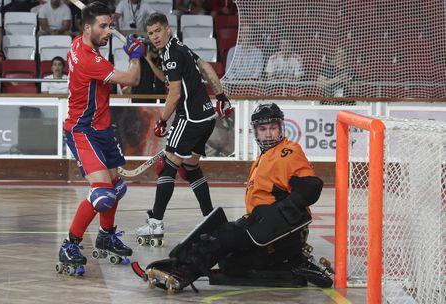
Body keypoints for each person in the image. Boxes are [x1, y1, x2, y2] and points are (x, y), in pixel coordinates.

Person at [136, 103, 332, 290]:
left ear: (281, 127)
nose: (269, 133)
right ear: (256, 132)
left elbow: (311, 187)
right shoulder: (264, 156)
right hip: (262, 231)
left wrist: (277, 212)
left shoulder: (288, 152)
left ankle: (180, 272)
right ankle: (294, 263)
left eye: (273, 127)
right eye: (263, 129)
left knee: (221, 237)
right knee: (229, 264)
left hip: (276, 233)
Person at [57, 1, 145, 275]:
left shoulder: (80, 43)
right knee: (104, 194)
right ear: (87, 28)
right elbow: (132, 79)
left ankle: (106, 234)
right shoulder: (88, 59)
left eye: (110, 26)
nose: (108, 31)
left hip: (102, 129)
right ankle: (70, 244)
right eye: (103, 26)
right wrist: (135, 55)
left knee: (117, 188)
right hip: (83, 130)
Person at [135, 13, 233, 246]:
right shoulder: (182, 47)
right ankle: (211, 218)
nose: (155, 36)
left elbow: (175, 93)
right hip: (206, 116)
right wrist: (220, 95)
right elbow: (206, 67)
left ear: (167, 29)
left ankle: (155, 223)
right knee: (190, 168)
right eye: (150, 33)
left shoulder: (170, 54)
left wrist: (161, 120)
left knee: (166, 167)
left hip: (190, 117)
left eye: (158, 31)